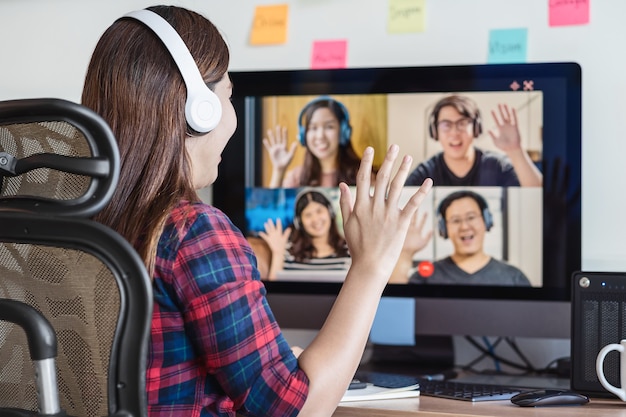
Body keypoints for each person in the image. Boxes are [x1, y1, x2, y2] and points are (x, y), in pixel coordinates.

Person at [81, 5, 433, 417]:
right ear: (199, 110)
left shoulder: (82, 222)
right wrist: (372, 265)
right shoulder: (194, 233)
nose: (233, 115)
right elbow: (297, 410)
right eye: (229, 96)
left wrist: (279, 364)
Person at [393, 190, 531, 286]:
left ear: (486, 221)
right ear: (444, 228)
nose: (464, 226)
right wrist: (406, 252)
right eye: (455, 220)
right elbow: (397, 307)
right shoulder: (428, 274)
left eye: (471, 217)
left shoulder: (514, 277)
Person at [405, 95, 543, 187]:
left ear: (476, 128)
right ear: (435, 131)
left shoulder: (496, 165)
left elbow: (540, 195)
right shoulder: (426, 172)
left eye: (462, 123)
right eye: (446, 125)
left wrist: (515, 150)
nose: (454, 133)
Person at [263, 96, 363, 188]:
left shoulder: (362, 175)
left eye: (329, 127)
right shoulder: (297, 177)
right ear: (304, 135)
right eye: (313, 128)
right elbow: (273, 205)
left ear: (343, 132)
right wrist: (279, 171)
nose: (320, 136)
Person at [259, 188, 350, 280]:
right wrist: (278, 254)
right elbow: (274, 291)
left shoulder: (349, 251)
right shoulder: (288, 252)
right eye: (308, 215)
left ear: (330, 212)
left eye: (319, 211)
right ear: (299, 222)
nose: (315, 219)